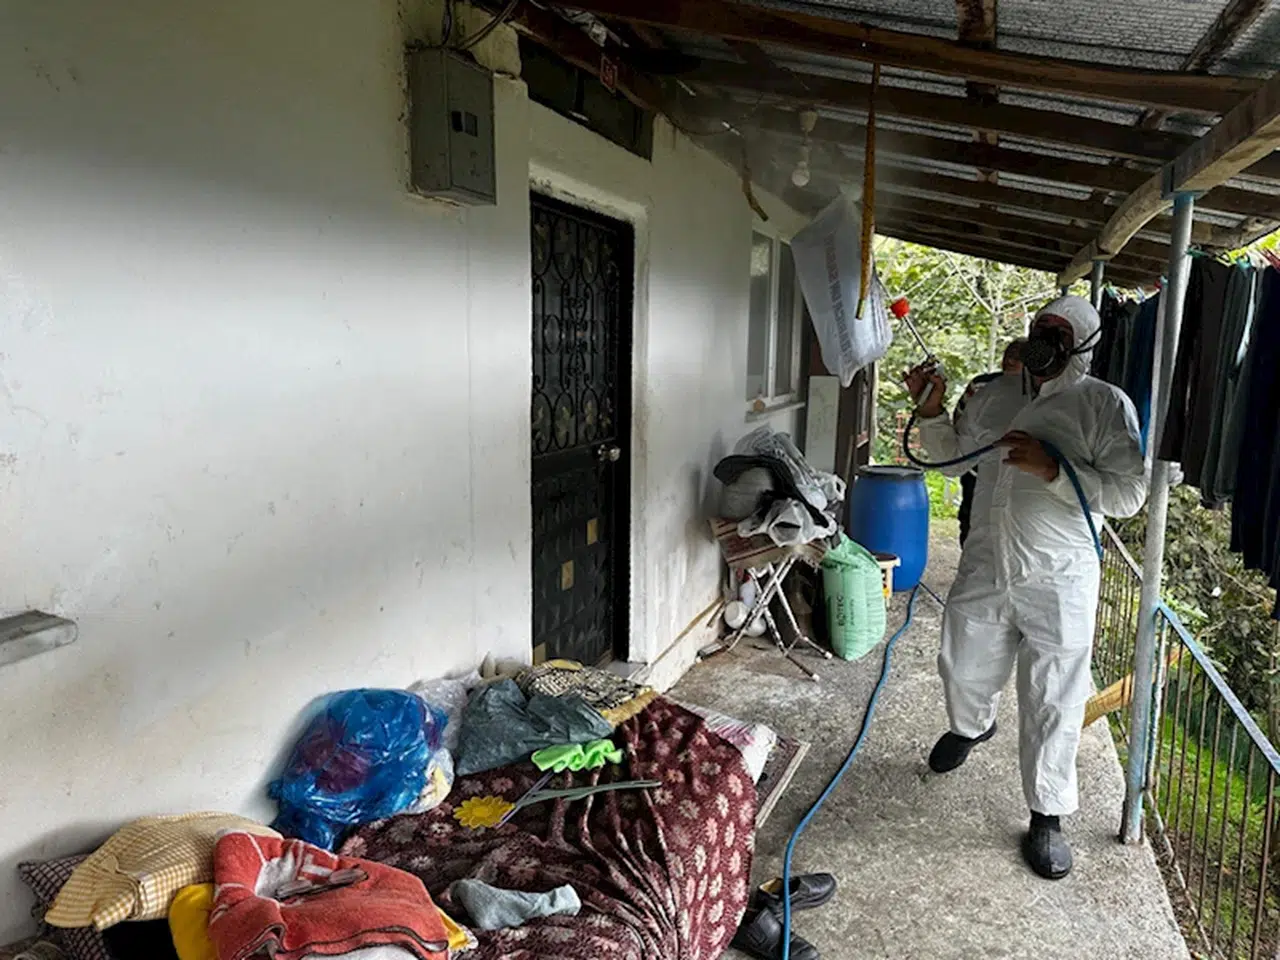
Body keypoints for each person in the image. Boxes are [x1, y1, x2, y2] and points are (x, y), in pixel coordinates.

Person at [904, 296, 1147, 881]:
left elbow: (1129, 494)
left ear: (1083, 344)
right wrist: (931, 411)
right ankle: (973, 725)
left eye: (1059, 332)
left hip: (1060, 574)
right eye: (1041, 327)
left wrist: (1056, 470)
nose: (1045, 339)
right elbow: (950, 461)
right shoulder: (994, 395)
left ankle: (1047, 813)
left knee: (1053, 695)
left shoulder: (1103, 404)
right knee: (960, 662)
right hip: (988, 561)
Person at [956, 339, 1027, 546]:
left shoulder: (1038, 392)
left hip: (1016, 472)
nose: (1010, 360)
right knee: (970, 518)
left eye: (1018, 357)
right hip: (975, 468)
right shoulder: (982, 385)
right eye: (1008, 355)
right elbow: (960, 417)